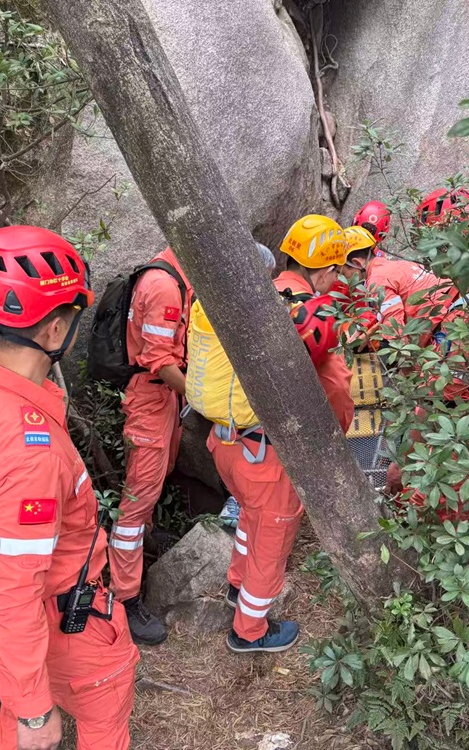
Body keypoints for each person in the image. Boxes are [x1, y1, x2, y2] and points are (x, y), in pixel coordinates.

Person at [0, 226, 139, 750]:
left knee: (15, 719)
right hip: (63, 626)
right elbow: (17, 590)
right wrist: (37, 713)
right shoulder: (30, 452)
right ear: (54, 332)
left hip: (13, 622)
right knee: (100, 723)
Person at [207, 215, 358, 654]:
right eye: (337, 269)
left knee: (250, 520)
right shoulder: (316, 318)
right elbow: (337, 393)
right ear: (326, 269)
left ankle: (238, 585)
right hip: (265, 456)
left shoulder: (255, 296)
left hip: (225, 440)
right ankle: (249, 631)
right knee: (273, 537)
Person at [109, 245, 193, 646]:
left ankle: (148, 535)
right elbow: (159, 360)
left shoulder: (176, 277)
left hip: (161, 397)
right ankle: (124, 598)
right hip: (151, 397)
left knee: (156, 477)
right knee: (137, 498)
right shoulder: (164, 286)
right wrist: (201, 394)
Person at [218, 242, 278, 530]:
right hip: (248, 421)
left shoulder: (216, 305)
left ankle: (235, 503)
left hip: (220, 420)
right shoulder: (255, 313)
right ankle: (238, 505)